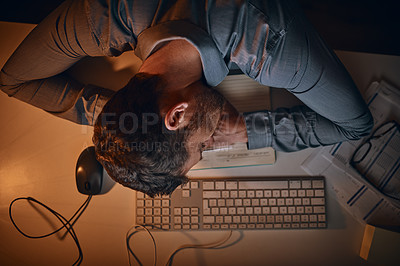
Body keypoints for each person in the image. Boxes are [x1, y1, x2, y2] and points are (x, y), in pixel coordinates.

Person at [0, 0, 373, 196]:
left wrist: (247, 129)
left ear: (178, 114)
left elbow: (357, 126)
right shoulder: (103, 15)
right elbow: (12, 81)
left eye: (201, 146)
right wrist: (120, 119)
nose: (214, 141)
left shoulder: (270, 48)